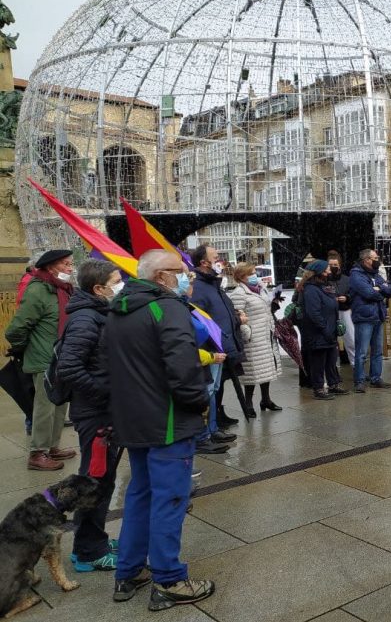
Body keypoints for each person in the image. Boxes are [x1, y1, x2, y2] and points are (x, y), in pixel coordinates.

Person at [106, 249, 214, 610]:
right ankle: (169, 579)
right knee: (170, 499)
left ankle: (129, 570)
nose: (187, 278)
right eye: (180, 273)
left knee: (141, 495)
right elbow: (182, 367)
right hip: (166, 419)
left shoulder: (120, 308)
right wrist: (199, 402)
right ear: (160, 277)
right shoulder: (166, 308)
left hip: (134, 419)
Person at [56, 260, 124, 572]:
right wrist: (104, 393)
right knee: (95, 482)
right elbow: (69, 367)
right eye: (116, 280)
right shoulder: (85, 319)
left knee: (102, 480)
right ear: (98, 289)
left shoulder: (97, 313)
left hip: (102, 411)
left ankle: (93, 538)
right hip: (95, 415)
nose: (120, 285)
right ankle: (88, 551)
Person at [5, 249, 77, 471]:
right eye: (65, 264)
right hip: (44, 357)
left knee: (59, 403)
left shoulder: (61, 289)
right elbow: (16, 328)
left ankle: (52, 447)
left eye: (70, 264)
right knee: (44, 406)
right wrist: (24, 346)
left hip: (61, 356)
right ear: (51, 267)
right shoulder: (38, 290)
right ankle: (37, 453)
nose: (70, 268)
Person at [189, 244, 241, 453]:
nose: (220, 259)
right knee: (208, 391)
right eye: (216, 256)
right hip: (209, 349)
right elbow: (198, 320)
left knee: (215, 390)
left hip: (220, 345)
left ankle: (212, 428)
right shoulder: (200, 287)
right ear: (204, 262)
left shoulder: (213, 284)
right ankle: (205, 434)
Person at [228, 263, 282, 413]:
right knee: (251, 372)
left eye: (254, 272)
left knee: (266, 370)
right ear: (241, 276)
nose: (254, 275)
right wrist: (247, 332)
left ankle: (266, 399)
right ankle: (248, 403)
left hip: (266, 335)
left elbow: (265, 308)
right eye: (250, 273)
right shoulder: (239, 293)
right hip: (252, 338)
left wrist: (274, 304)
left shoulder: (261, 288)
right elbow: (237, 316)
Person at [297, 260, 346, 399]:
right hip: (318, 333)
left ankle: (333, 384)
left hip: (329, 331)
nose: (329, 272)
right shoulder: (311, 289)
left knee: (331, 360)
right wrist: (325, 329)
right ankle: (318, 389)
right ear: (318, 273)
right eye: (326, 270)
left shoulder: (324, 286)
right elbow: (314, 313)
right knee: (318, 362)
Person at [349, 248, 391, 392]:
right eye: (375, 258)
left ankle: (376, 378)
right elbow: (368, 293)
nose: (377, 260)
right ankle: (359, 381)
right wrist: (379, 290)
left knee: (377, 351)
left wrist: (378, 289)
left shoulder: (376, 274)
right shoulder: (356, 275)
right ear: (366, 260)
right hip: (364, 317)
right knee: (362, 352)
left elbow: (389, 290)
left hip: (378, 316)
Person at [326, 250, 355, 367]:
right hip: (329, 312)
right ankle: (332, 369)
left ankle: (355, 366)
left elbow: (353, 293)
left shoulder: (347, 279)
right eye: (331, 265)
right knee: (330, 341)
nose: (333, 267)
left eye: (335, 265)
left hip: (345, 311)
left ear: (340, 265)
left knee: (351, 340)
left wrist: (347, 298)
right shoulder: (324, 279)